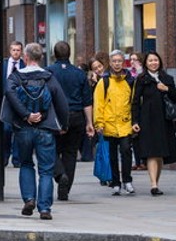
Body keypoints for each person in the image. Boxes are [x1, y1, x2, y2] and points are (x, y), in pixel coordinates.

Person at [1, 42, 69, 220]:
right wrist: (63, 124)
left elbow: (9, 94)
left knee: (25, 164)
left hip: (23, 128)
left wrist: (25, 115)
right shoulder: (48, 77)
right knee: (46, 170)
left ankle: (29, 199)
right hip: (45, 128)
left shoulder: (16, 77)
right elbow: (61, 102)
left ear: (25, 57)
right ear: (41, 58)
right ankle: (45, 208)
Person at [45, 41, 94, 201]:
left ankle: (60, 174)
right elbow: (87, 101)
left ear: (54, 54)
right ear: (69, 53)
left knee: (50, 149)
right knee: (71, 152)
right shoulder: (79, 73)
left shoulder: (49, 72)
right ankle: (64, 190)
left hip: (55, 116)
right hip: (76, 116)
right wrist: (89, 123)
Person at [131, 51, 176, 195]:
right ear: (145, 63)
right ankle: (153, 184)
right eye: (150, 61)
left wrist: (167, 89)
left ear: (160, 62)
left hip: (164, 120)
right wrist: (135, 121)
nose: (153, 63)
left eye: (155, 60)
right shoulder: (141, 79)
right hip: (148, 119)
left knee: (160, 153)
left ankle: (156, 182)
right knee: (151, 152)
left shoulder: (167, 78)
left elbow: (175, 96)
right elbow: (135, 102)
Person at [94, 50, 136, 195]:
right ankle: (115, 182)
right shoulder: (104, 81)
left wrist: (135, 120)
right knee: (112, 154)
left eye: (119, 61)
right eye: (114, 61)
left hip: (125, 122)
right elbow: (99, 103)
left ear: (123, 63)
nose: (117, 64)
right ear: (110, 63)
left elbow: (134, 102)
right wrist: (98, 123)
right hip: (109, 123)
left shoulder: (129, 80)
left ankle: (127, 180)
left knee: (126, 150)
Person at [1, 40, 25, 168]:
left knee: (18, 130)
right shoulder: (4, 65)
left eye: (18, 50)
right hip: (6, 102)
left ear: (21, 52)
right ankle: (5, 156)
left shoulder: (24, 65)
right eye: (13, 50)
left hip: (21, 102)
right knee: (6, 129)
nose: (16, 52)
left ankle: (17, 159)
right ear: (10, 51)